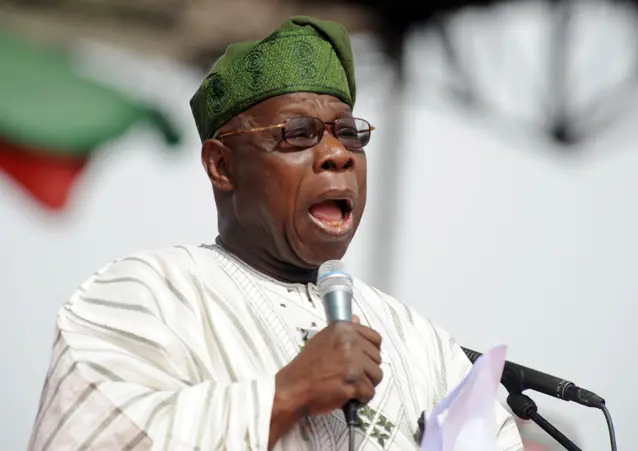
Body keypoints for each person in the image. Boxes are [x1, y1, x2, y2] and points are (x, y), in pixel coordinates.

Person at [28, 15, 523, 451]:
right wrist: (288, 393)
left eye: (349, 133)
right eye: (299, 134)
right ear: (221, 166)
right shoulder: (146, 296)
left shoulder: (424, 346)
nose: (338, 154)